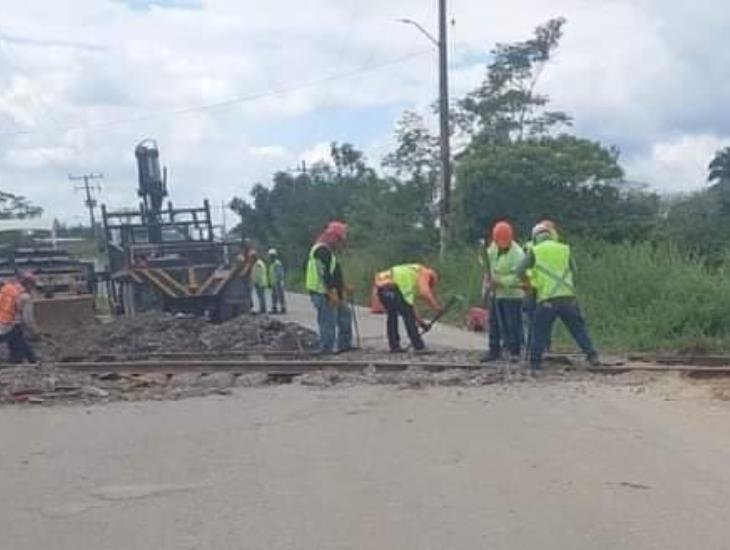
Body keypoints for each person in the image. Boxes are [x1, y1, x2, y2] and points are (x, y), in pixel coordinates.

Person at [516, 223, 600, 370]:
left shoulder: (535, 250)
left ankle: (535, 362)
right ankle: (592, 355)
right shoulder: (564, 249)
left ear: (535, 237)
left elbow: (519, 270)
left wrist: (529, 283)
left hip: (547, 298)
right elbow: (574, 270)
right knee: (578, 328)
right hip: (568, 297)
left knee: (538, 329)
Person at [304, 221, 353, 354]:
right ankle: (326, 349)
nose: (339, 243)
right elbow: (325, 274)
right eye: (338, 239)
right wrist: (332, 293)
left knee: (345, 314)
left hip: (332, 291)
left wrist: (343, 286)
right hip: (323, 292)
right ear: (332, 236)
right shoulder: (321, 250)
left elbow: (334, 272)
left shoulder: (328, 251)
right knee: (327, 321)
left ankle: (344, 344)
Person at [482, 221, 525, 362]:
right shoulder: (493, 248)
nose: (501, 244)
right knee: (494, 322)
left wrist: (500, 281)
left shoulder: (518, 254)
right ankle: (494, 350)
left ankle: (514, 351)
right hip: (497, 294)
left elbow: (517, 277)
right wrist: (488, 276)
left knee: (513, 324)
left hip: (513, 295)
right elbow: (486, 261)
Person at [375, 264, 440, 353]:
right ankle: (419, 347)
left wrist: (421, 323)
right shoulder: (424, 273)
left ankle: (394, 346)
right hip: (394, 286)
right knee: (408, 317)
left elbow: (410, 306)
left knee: (392, 315)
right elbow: (425, 292)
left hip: (382, 287)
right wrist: (436, 307)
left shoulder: (412, 272)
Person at [523, 219, 557, 356]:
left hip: (539, 288)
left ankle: (535, 349)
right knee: (538, 320)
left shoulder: (531, 246)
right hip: (538, 288)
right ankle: (537, 349)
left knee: (536, 320)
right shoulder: (533, 248)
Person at [0, 272, 39, 364]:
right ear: (29, 284)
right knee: (17, 334)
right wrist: (35, 332)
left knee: (18, 337)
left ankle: (32, 359)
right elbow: (28, 320)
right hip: (6, 326)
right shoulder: (24, 297)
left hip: (4, 323)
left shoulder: (6, 288)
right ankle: (20, 360)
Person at [268, 248, 286, 314]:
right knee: (274, 296)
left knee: (280, 296)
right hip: (274, 282)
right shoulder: (272, 264)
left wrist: (278, 282)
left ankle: (283, 308)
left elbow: (279, 274)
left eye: (271, 255)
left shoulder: (277, 263)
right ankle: (274, 308)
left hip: (277, 282)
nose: (270, 257)